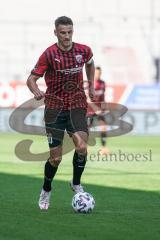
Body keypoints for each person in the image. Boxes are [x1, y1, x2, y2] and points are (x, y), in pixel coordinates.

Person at [26, 16, 95, 210]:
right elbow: (31, 79)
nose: (67, 36)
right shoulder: (49, 54)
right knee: (56, 158)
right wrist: (36, 90)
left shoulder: (84, 50)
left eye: (69, 32)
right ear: (55, 32)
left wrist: (90, 84)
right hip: (55, 109)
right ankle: (46, 189)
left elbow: (90, 63)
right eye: (63, 33)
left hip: (77, 105)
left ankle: (75, 182)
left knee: (81, 147)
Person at [87, 66, 109, 155]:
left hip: (100, 110)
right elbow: (88, 99)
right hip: (90, 110)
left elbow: (103, 97)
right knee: (87, 130)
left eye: (99, 73)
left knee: (103, 128)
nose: (98, 75)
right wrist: (96, 109)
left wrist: (104, 107)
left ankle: (103, 148)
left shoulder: (103, 83)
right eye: (96, 73)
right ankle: (85, 148)